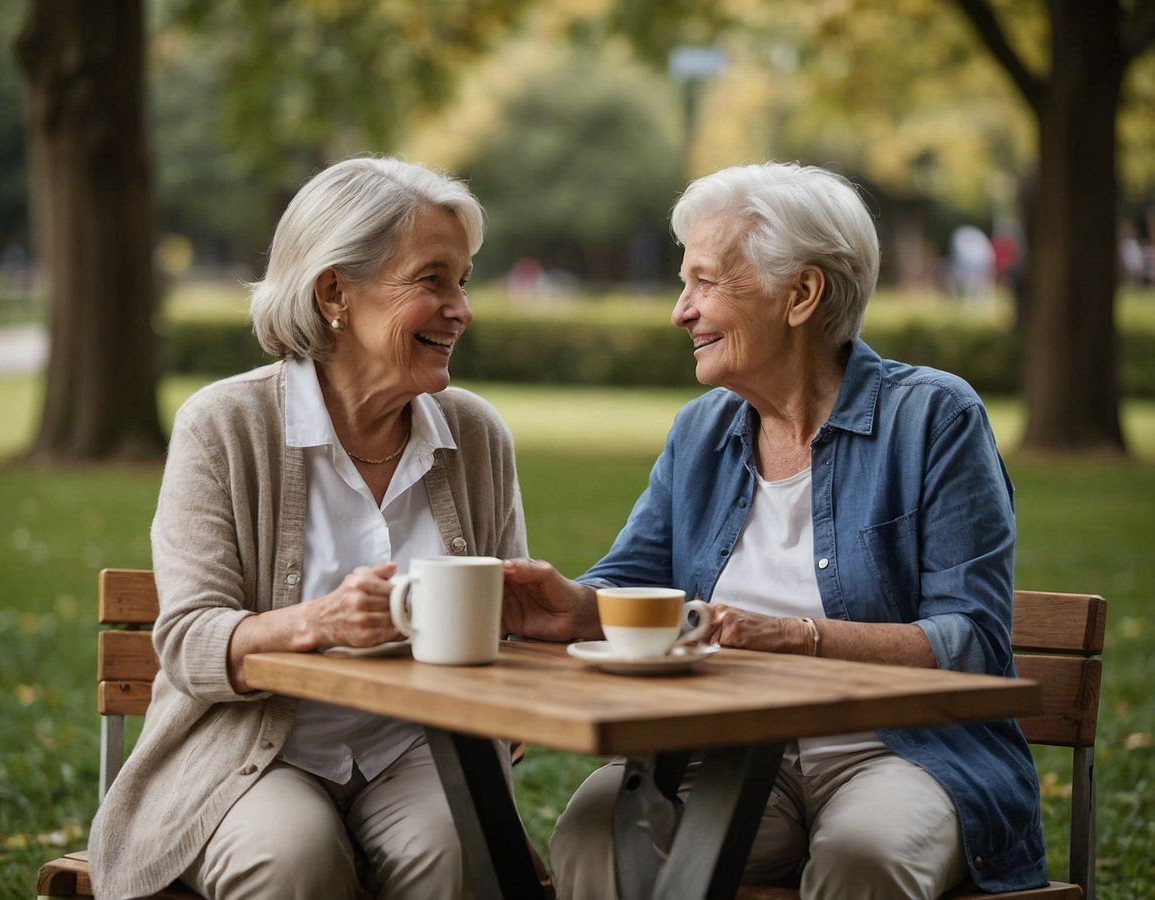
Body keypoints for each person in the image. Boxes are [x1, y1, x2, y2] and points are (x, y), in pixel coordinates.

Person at [502, 162, 1045, 898]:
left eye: (704, 281)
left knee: (864, 854)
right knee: (598, 828)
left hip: (901, 752)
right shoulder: (702, 431)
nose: (680, 311)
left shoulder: (933, 419)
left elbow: (974, 640)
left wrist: (799, 638)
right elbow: (635, 581)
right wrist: (573, 606)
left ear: (803, 294)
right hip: (723, 746)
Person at [88, 157, 527, 900]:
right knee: (293, 858)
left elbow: (509, 625)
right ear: (334, 292)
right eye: (432, 279)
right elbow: (189, 641)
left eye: (464, 280)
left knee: (461, 848)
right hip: (251, 750)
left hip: (422, 749)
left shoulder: (474, 434)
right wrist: (318, 622)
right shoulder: (225, 426)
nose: (461, 308)